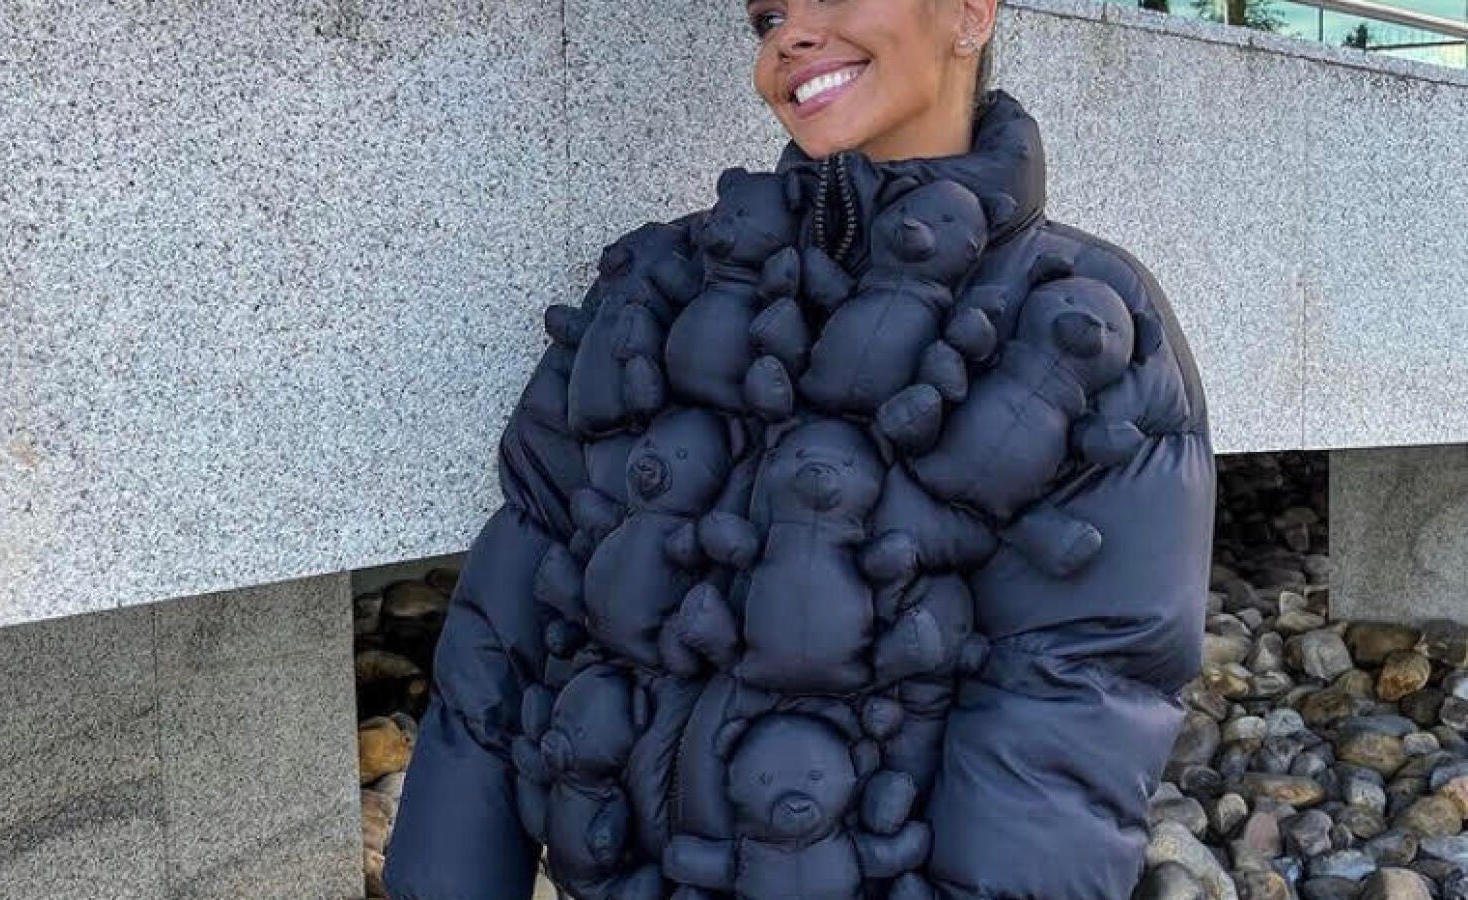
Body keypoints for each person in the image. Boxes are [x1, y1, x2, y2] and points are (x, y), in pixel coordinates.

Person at [384, 0, 1217, 897]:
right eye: (769, 15)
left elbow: (1069, 706)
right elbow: (506, 612)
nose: (791, 35)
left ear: (970, 15)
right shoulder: (663, 278)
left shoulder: (1079, 315)